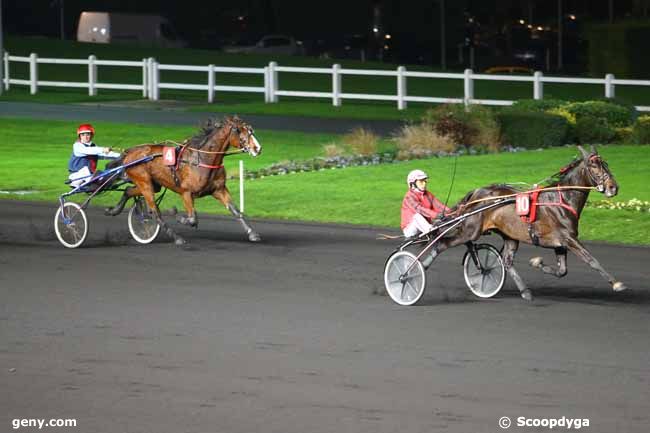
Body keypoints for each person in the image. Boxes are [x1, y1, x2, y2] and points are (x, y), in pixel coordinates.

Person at [400, 169, 452, 267]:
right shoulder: (409, 197)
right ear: (412, 184)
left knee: (440, 218)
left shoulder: (428, 194)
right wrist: (436, 215)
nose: (424, 183)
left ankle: (433, 230)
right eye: (421, 181)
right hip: (410, 229)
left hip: (424, 226)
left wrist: (453, 212)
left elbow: (439, 206)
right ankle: (431, 231)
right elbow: (420, 209)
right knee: (417, 216)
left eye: (425, 181)